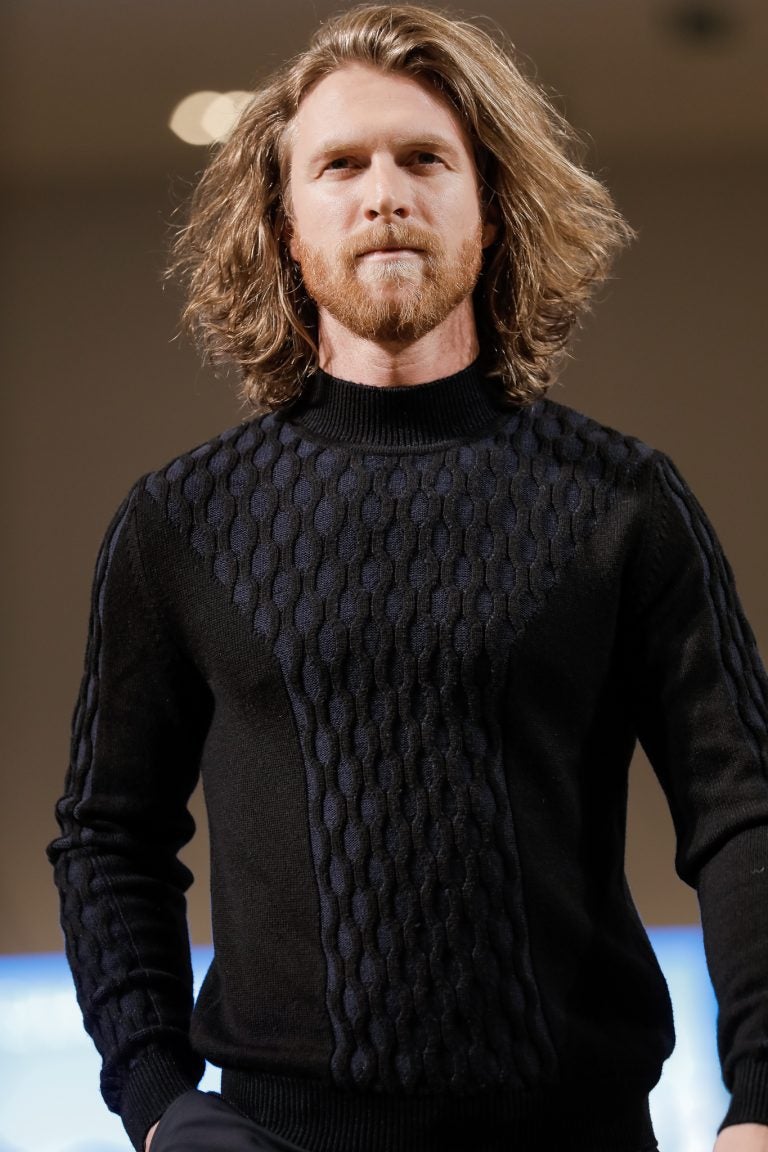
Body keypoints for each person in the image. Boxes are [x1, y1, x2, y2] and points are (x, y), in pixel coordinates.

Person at [48, 5, 768, 1152]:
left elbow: (744, 813)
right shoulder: (179, 524)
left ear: (490, 211)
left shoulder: (624, 503)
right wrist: (155, 1098)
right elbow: (108, 837)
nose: (384, 194)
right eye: (341, 165)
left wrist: (761, 1101)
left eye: (425, 159)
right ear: (288, 228)